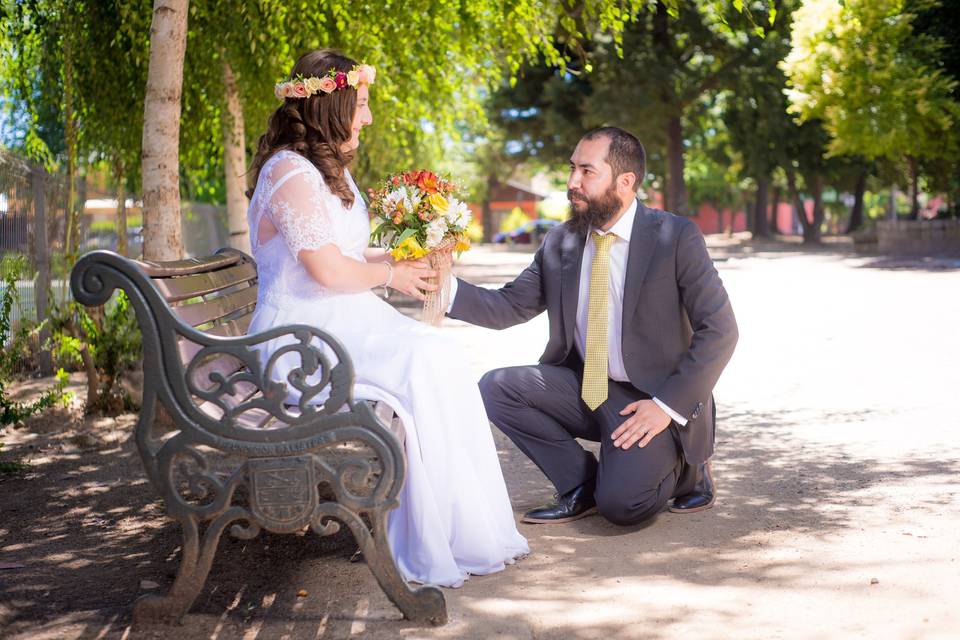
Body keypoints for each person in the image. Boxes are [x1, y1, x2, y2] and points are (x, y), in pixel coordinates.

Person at [244, 49, 528, 587]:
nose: (368, 117)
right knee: (427, 358)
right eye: (363, 104)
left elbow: (348, 253)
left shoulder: (324, 172)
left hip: (334, 324)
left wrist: (407, 255)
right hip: (298, 343)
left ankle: (458, 530)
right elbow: (326, 268)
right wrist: (392, 277)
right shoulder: (288, 172)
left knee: (441, 354)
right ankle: (427, 539)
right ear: (334, 105)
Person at [448, 127, 738, 526]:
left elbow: (720, 330)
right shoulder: (561, 242)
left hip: (652, 397)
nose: (572, 183)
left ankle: (690, 470)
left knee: (623, 507)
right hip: (588, 387)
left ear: (625, 181)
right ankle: (579, 485)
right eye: (572, 169)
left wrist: (666, 407)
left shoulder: (675, 237)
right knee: (497, 389)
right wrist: (440, 288)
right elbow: (508, 306)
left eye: (587, 171)